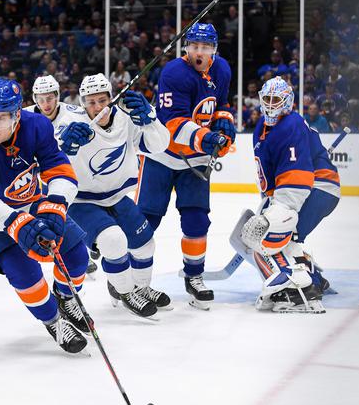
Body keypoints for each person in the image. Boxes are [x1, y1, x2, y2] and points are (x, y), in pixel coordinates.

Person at [0, 78, 89, 354]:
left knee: (76, 254)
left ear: (17, 114)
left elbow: (58, 167)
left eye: (2, 117)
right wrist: (17, 223)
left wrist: (56, 205)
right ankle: (53, 320)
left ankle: (65, 296)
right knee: (25, 271)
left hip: (26, 198)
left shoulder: (37, 126)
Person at [135, 23, 233, 310]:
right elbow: (173, 123)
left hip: (196, 160)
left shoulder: (223, 69)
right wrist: (207, 138)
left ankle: (195, 277)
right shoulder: (174, 73)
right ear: (186, 47)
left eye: (205, 47)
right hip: (161, 154)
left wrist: (224, 124)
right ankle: (130, 282)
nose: (199, 52)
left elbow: (222, 104)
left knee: (196, 220)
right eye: (194, 46)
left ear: (214, 49)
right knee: (146, 221)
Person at [61, 74, 172, 318]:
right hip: (83, 202)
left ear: (111, 99)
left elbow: (159, 146)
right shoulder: (70, 124)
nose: (97, 107)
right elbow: (54, 164)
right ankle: (125, 291)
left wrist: (150, 120)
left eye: (102, 100)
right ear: (82, 103)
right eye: (90, 102)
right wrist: (66, 148)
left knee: (145, 245)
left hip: (117, 197)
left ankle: (142, 287)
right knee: (113, 241)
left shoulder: (126, 120)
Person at [242, 76, 340, 313]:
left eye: (277, 99)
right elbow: (269, 174)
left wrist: (277, 214)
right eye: (267, 99)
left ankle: (304, 290)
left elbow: (297, 177)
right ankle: (313, 278)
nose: (271, 104)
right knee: (285, 234)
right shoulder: (262, 128)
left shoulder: (291, 124)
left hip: (318, 188)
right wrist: (269, 205)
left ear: (288, 101)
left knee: (283, 234)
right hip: (311, 187)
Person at [22, 75, 99, 277]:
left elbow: (95, 132)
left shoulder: (75, 113)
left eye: (49, 98)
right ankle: (80, 248)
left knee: (69, 209)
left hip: (71, 173)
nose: (45, 104)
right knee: (54, 212)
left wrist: (87, 135)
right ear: (34, 98)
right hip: (39, 177)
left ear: (57, 96)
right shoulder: (23, 117)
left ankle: (87, 243)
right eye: (40, 99)